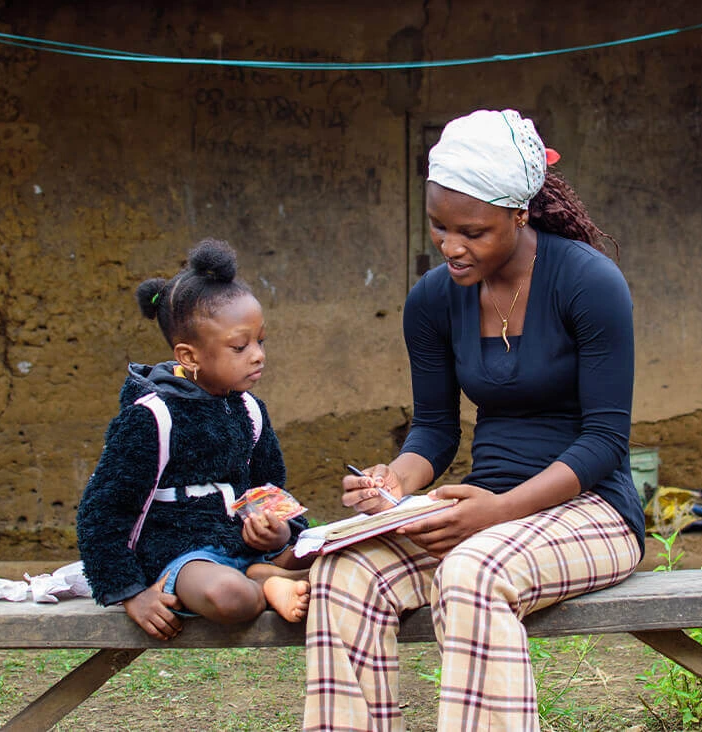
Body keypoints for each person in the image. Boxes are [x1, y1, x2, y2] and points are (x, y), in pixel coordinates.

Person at [303, 109, 646, 731]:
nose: (451, 246)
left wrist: (497, 511)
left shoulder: (588, 283)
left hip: (592, 510)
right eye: (439, 226)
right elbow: (435, 429)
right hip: (485, 514)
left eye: (473, 231)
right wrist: (397, 483)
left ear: (520, 214)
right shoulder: (433, 300)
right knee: (342, 571)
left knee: (472, 570)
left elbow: (605, 440)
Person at [77, 238, 313, 641]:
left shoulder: (250, 411)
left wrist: (280, 531)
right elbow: (100, 512)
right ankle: (265, 584)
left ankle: (263, 572)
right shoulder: (152, 418)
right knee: (230, 597)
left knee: (331, 553)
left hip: (242, 545)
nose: (257, 355)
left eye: (261, 341)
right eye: (240, 346)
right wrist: (130, 593)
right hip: (181, 557)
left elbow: (268, 489)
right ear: (189, 357)